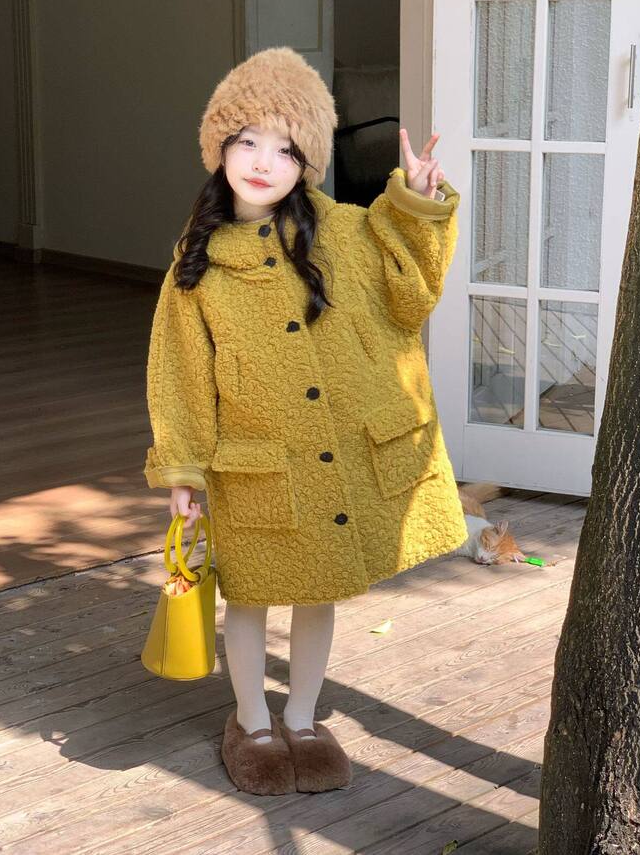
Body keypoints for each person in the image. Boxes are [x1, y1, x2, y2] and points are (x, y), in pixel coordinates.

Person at [143, 45, 468, 796]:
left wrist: (417, 205)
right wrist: (183, 467)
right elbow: (179, 374)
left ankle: (303, 716)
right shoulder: (196, 261)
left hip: (335, 457)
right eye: (247, 140)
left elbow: (411, 295)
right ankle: (252, 720)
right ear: (219, 146)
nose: (263, 162)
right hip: (256, 463)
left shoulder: (347, 233)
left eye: (286, 148)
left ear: (307, 162)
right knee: (251, 594)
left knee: (319, 589)